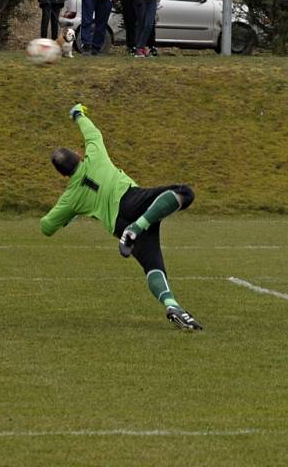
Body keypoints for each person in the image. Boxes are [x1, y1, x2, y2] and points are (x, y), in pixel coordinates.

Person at [40, 104, 203, 331]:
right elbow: (92, 132)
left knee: (152, 265)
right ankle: (138, 227)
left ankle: (172, 306)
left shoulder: (70, 198)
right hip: (131, 200)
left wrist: (68, 216)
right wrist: (78, 113)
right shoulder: (94, 154)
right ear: (79, 155)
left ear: (62, 174)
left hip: (118, 225)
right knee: (185, 193)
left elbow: (46, 226)